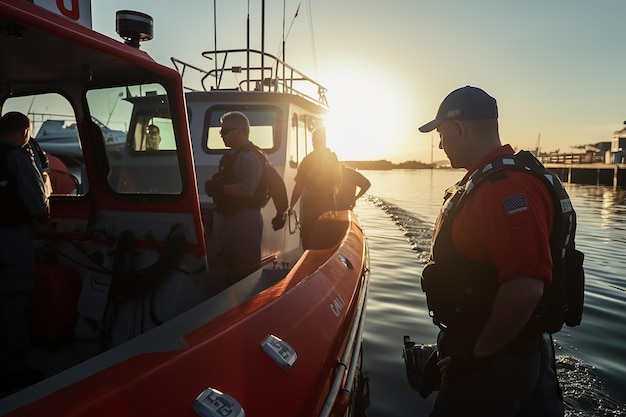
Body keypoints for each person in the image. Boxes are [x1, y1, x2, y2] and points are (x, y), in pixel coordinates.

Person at [417, 86, 565, 416]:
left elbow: (526, 287)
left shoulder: (506, 189)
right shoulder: (483, 183)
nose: (440, 144)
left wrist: (476, 355)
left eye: (441, 134)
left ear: (459, 128)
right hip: (490, 351)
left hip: (497, 366)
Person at [0, 112, 49, 392]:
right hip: (10, 241)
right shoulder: (18, 157)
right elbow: (36, 203)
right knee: (12, 303)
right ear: (25, 132)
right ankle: (11, 371)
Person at [204, 111, 266, 286]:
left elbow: (247, 190)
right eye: (220, 132)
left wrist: (219, 188)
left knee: (244, 268)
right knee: (231, 263)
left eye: (225, 131)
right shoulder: (236, 156)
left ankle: (246, 305)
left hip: (245, 219)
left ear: (240, 132)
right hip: (231, 218)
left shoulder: (249, 157)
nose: (222, 135)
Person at [289, 127, 342, 248]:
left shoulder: (308, 160)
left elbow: (299, 185)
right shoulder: (333, 158)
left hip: (311, 205)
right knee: (328, 237)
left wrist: (291, 206)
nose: (313, 143)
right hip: (328, 204)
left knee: (308, 236)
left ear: (320, 140)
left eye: (314, 140)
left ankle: (309, 259)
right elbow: (338, 184)